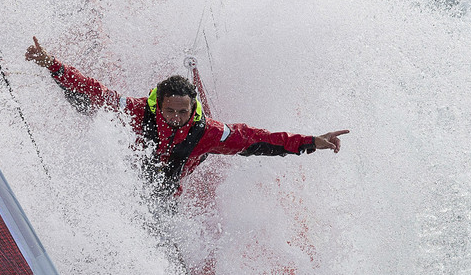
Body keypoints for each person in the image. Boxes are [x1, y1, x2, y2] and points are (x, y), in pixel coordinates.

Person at [23, 38, 348, 198]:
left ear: (193, 110)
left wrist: (311, 142)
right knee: (87, 106)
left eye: (184, 112)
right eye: (170, 111)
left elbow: (258, 139)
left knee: (163, 198)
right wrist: (52, 64)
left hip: (170, 185)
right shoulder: (138, 111)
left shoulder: (209, 133)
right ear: (158, 106)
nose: (177, 117)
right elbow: (96, 90)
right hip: (138, 171)